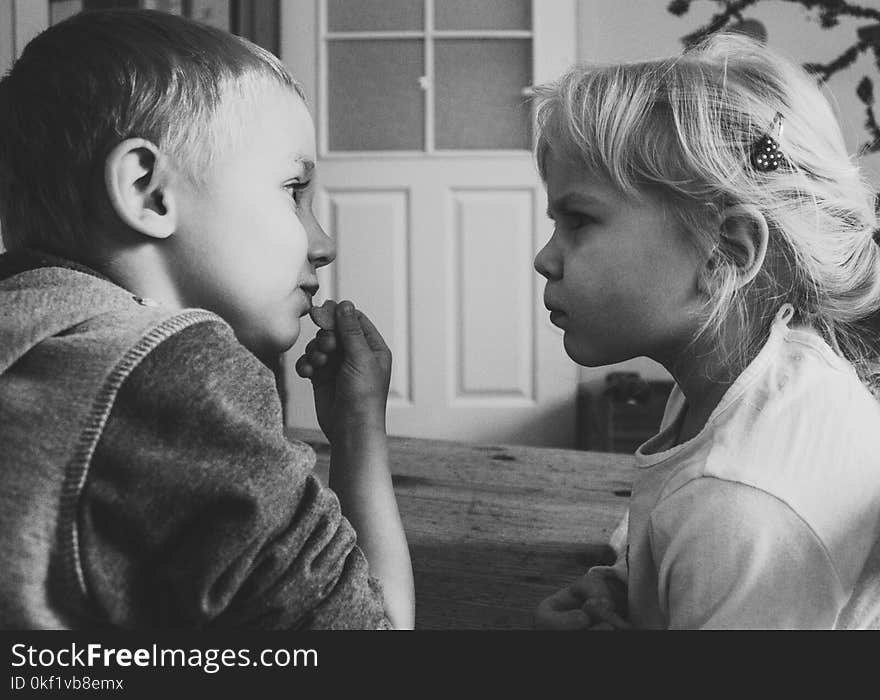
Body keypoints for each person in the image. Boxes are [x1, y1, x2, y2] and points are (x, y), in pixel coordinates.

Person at [0, 9, 414, 630]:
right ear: (148, 191)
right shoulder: (179, 376)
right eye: (293, 190)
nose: (322, 242)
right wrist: (359, 431)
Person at [531, 32, 880, 630]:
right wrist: (631, 589)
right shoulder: (749, 374)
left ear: (727, 251)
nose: (546, 258)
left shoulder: (737, 503)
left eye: (579, 220)